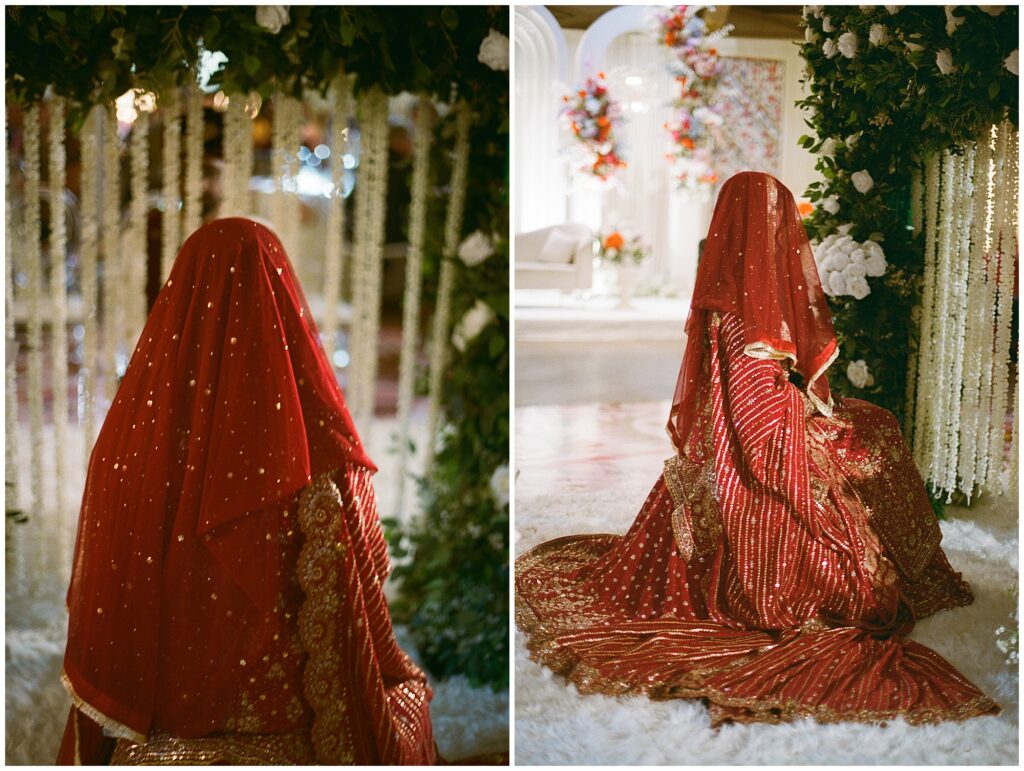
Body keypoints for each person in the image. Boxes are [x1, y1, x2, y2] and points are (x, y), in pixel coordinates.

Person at [516, 171, 998, 726]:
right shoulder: (746, 316)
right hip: (763, 452)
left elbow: (761, 394)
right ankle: (903, 570)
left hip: (759, 433)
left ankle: (910, 563)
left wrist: (811, 399)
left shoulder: (732, 301)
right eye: (778, 224)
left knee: (872, 421)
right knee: (875, 431)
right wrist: (818, 418)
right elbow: (757, 420)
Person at [58, 218, 436, 764]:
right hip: (293, 730)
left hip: (161, 733)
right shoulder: (317, 451)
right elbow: (359, 582)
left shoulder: (128, 446)